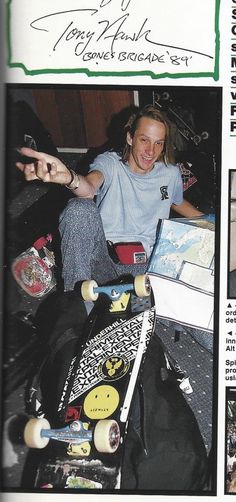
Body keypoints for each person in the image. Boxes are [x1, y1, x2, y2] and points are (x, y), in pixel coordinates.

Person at [16, 104, 203, 292]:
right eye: (144, 140)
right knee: (79, 208)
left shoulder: (170, 174)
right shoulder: (110, 163)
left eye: (158, 143)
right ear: (130, 138)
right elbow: (89, 187)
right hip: (103, 260)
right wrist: (70, 179)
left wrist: (214, 224)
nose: (150, 151)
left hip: (147, 268)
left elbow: (177, 202)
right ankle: (75, 297)